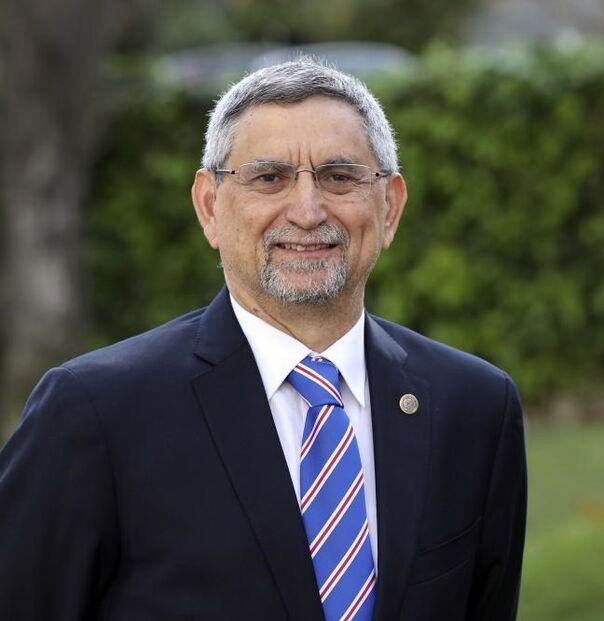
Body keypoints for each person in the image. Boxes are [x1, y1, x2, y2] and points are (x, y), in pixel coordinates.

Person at [0, 58, 526, 621]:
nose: (307, 211)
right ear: (210, 207)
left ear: (390, 207)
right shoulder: (96, 413)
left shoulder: (473, 407)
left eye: (339, 176)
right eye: (269, 178)